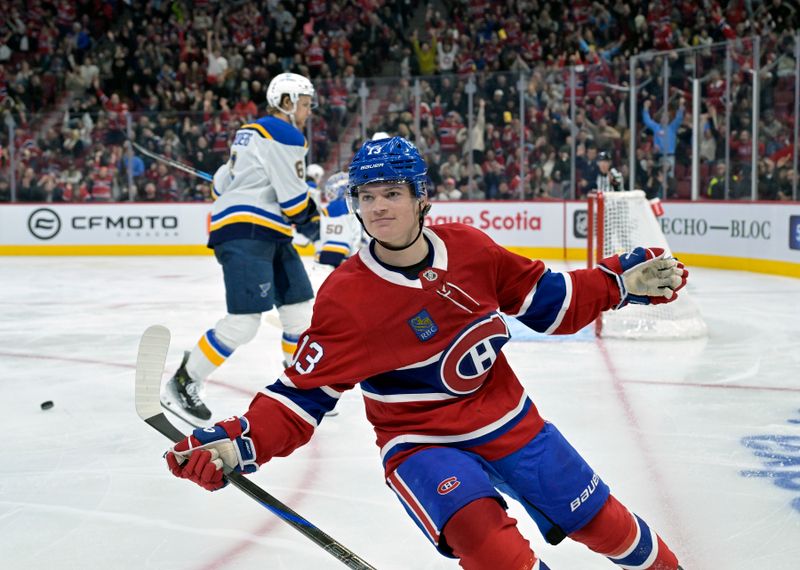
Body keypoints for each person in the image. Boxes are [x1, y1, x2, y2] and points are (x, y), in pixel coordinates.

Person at [165, 137, 687, 570]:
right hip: (422, 443)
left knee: (608, 526)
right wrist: (234, 445)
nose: (378, 207)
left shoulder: (472, 250)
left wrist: (616, 284)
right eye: (366, 196)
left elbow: (549, 302)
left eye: (392, 192)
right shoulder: (347, 298)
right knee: (495, 554)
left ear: (421, 198)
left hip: (510, 421)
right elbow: (299, 400)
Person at [160, 73, 320, 425]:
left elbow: (221, 183)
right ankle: (184, 381)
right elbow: (293, 199)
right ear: (288, 102)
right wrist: (314, 225)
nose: (309, 111)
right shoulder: (285, 133)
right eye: (306, 104)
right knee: (244, 323)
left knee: (298, 312)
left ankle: (297, 385)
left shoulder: (248, 136)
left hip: (268, 233)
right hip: (250, 233)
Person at [315, 171, 364, 268]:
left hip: (324, 255)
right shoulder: (353, 209)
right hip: (347, 256)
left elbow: (320, 235)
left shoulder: (325, 210)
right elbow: (357, 237)